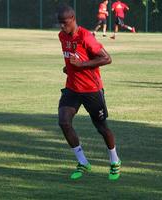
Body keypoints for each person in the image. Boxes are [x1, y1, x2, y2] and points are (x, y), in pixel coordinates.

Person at [57, 5, 121, 180]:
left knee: (101, 128)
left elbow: (107, 58)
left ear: (73, 19)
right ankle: (83, 162)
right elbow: (73, 59)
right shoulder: (62, 36)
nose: (62, 27)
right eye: (60, 23)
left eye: (64, 23)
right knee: (64, 122)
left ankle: (114, 160)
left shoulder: (86, 36)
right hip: (72, 88)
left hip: (91, 89)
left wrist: (80, 66)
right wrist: (69, 68)